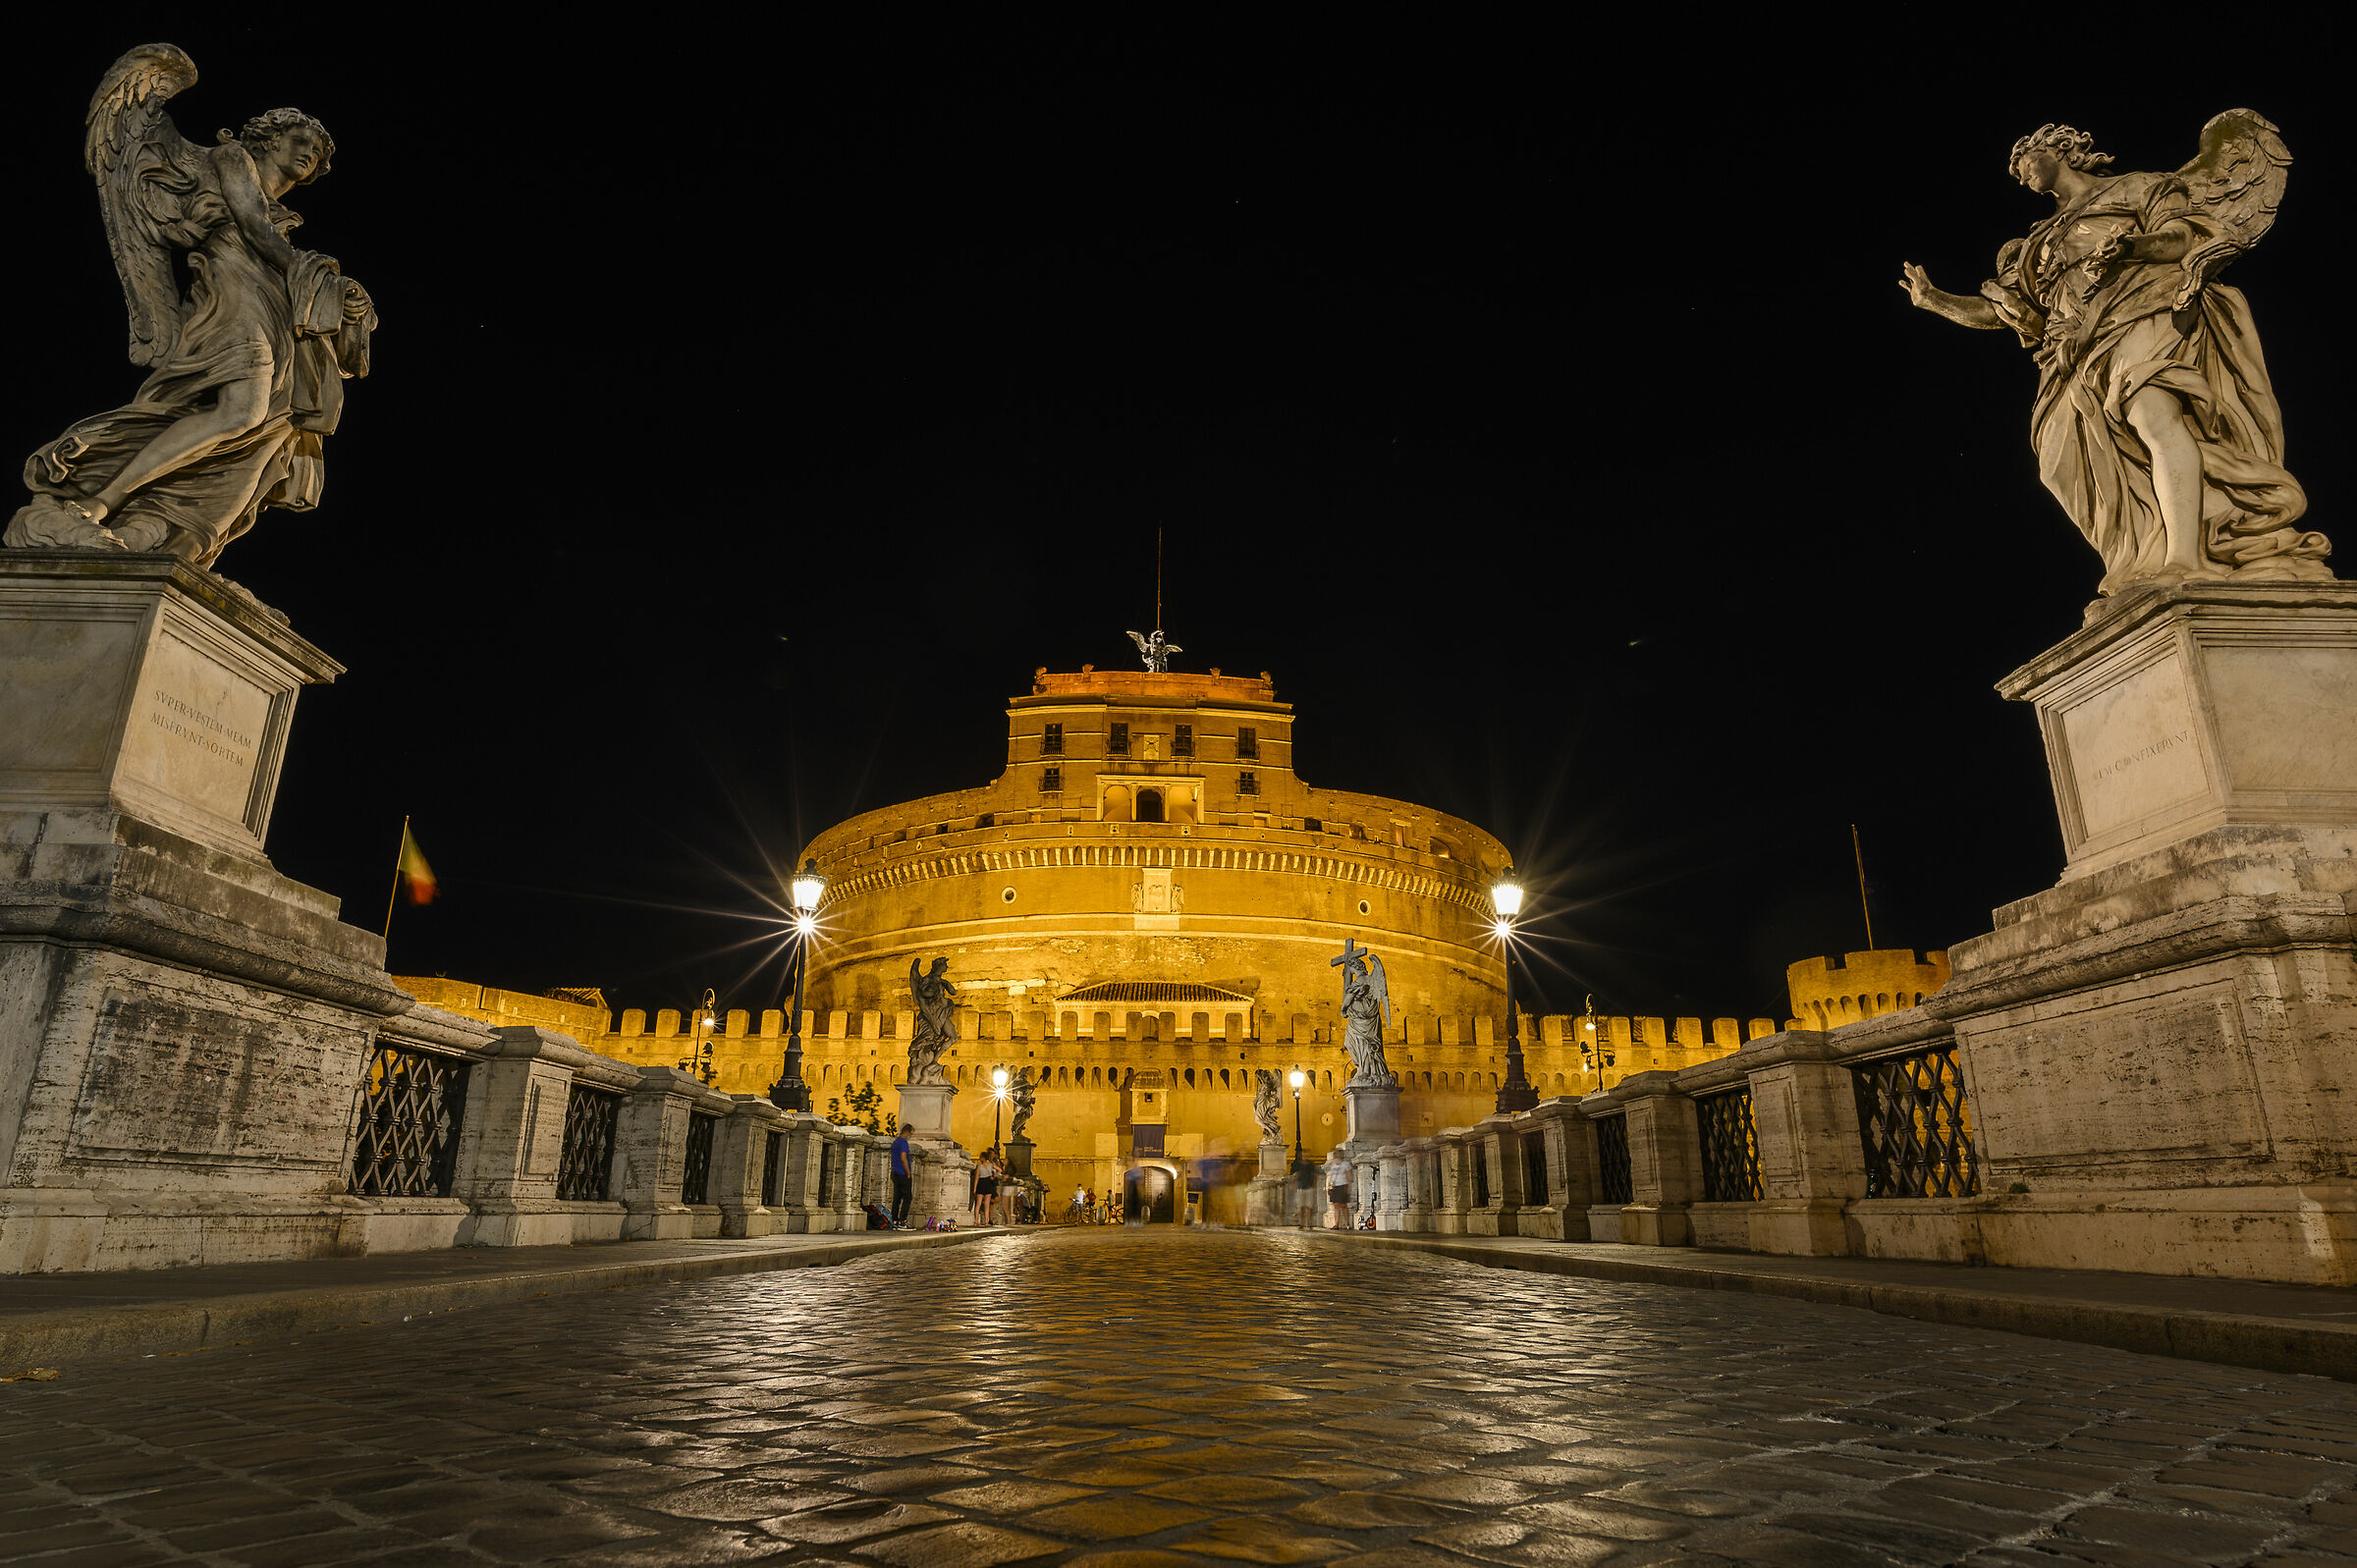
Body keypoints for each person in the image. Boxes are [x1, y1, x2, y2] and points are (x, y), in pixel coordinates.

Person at [889, 1130, 913, 1224]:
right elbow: (903, 1158)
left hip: (895, 1173)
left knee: (897, 1198)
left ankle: (894, 1219)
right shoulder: (903, 1143)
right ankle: (903, 1220)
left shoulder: (895, 1142)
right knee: (907, 1197)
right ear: (907, 1132)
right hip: (903, 1173)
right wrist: (908, 1172)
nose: (910, 1136)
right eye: (910, 1133)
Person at [1325, 1147, 1352, 1230]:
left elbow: (1349, 1176)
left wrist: (1349, 1187)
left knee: (1343, 1205)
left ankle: (1347, 1223)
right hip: (1335, 1186)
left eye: (1335, 1153)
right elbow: (1332, 1176)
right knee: (1336, 1205)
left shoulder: (1346, 1164)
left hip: (1343, 1185)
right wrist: (1329, 1185)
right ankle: (1336, 1224)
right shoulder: (1333, 1165)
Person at [972, 1150, 1000, 1226]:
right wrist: (994, 1176)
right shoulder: (991, 1165)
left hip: (981, 1183)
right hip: (988, 1183)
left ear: (983, 1158)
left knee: (978, 1203)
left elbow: (976, 1178)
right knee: (987, 1204)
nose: (979, 1159)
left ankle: (976, 1221)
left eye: (980, 1157)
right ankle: (986, 1222)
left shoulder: (979, 1166)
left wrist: (974, 1188)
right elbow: (1000, 1170)